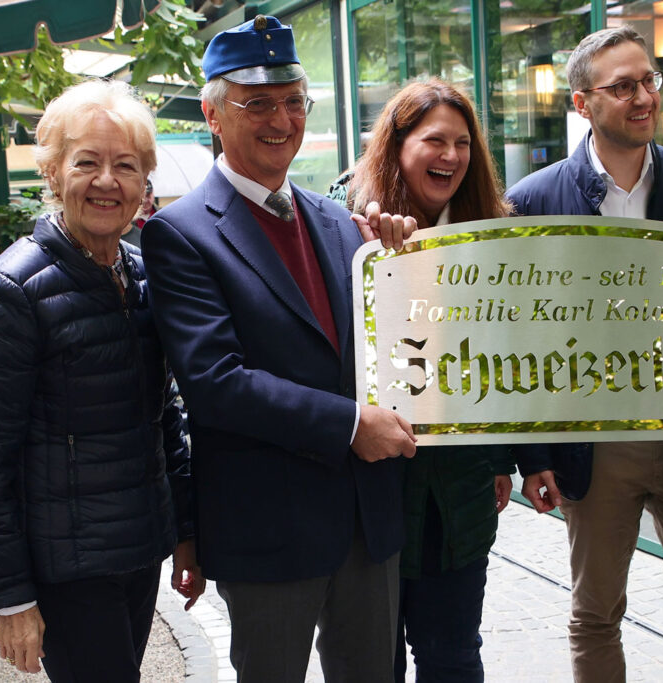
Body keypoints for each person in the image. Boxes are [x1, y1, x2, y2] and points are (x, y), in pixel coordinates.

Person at [139, 16, 418, 683]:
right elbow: (216, 380)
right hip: (269, 526)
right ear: (212, 113)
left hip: (365, 518)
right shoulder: (178, 235)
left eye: (293, 100)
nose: (280, 119)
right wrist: (350, 424)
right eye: (256, 102)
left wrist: (403, 262)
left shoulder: (339, 220)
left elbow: (382, 345)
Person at [0, 79, 203, 681]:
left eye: (126, 165)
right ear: (54, 173)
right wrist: (12, 599)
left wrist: (185, 532)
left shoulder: (141, 274)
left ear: (145, 184)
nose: (107, 180)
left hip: (137, 552)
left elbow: (164, 417)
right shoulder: (7, 292)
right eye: (87, 162)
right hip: (66, 569)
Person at [505, 25, 663, 682]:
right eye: (621, 86)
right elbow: (522, 337)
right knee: (596, 612)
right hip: (594, 441)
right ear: (582, 103)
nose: (642, 97)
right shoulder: (534, 201)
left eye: (648, 81)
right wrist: (533, 452)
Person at [328, 79, 515, 682]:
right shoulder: (343, 222)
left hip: (458, 496)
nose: (452, 156)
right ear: (396, 143)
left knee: (453, 654)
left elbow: (506, 357)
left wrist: (502, 458)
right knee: (374, 660)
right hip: (375, 491)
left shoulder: (487, 228)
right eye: (434, 140)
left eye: (463, 142)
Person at [122, 177, 157, 247]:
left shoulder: (163, 216)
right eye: (143, 196)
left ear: (153, 194)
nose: (146, 200)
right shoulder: (126, 220)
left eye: (148, 196)